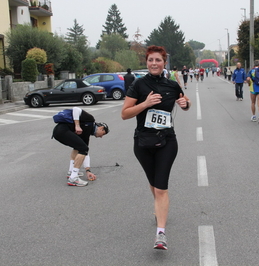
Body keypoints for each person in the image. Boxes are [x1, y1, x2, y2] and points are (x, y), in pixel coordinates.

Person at [121, 45, 191, 250]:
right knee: (153, 183)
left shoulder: (172, 85)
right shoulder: (139, 85)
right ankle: (159, 209)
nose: (154, 63)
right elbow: (125, 114)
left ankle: (160, 234)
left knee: (161, 187)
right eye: (150, 60)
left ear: (164, 62)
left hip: (167, 141)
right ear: (146, 62)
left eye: (158, 60)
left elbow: (185, 102)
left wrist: (186, 104)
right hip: (142, 143)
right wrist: (146, 103)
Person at [52, 107, 109, 186]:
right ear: (101, 128)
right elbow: (76, 109)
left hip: (58, 132)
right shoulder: (90, 119)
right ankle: (73, 178)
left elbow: (85, 152)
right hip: (62, 131)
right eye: (103, 134)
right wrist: (77, 125)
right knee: (82, 148)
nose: (101, 137)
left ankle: (71, 172)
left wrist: (88, 170)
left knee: (79, 148)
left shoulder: (86, 132)